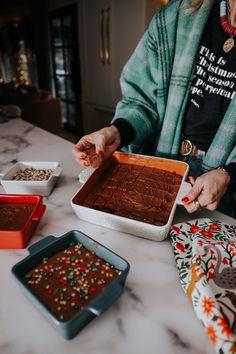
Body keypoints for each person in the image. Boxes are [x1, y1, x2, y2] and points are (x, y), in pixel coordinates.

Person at [72, 0, 236, 218]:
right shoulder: (175, 16)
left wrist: (229, 175)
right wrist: (117, 131)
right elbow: (142, 100)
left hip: (223, 189)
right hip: (158, 160)